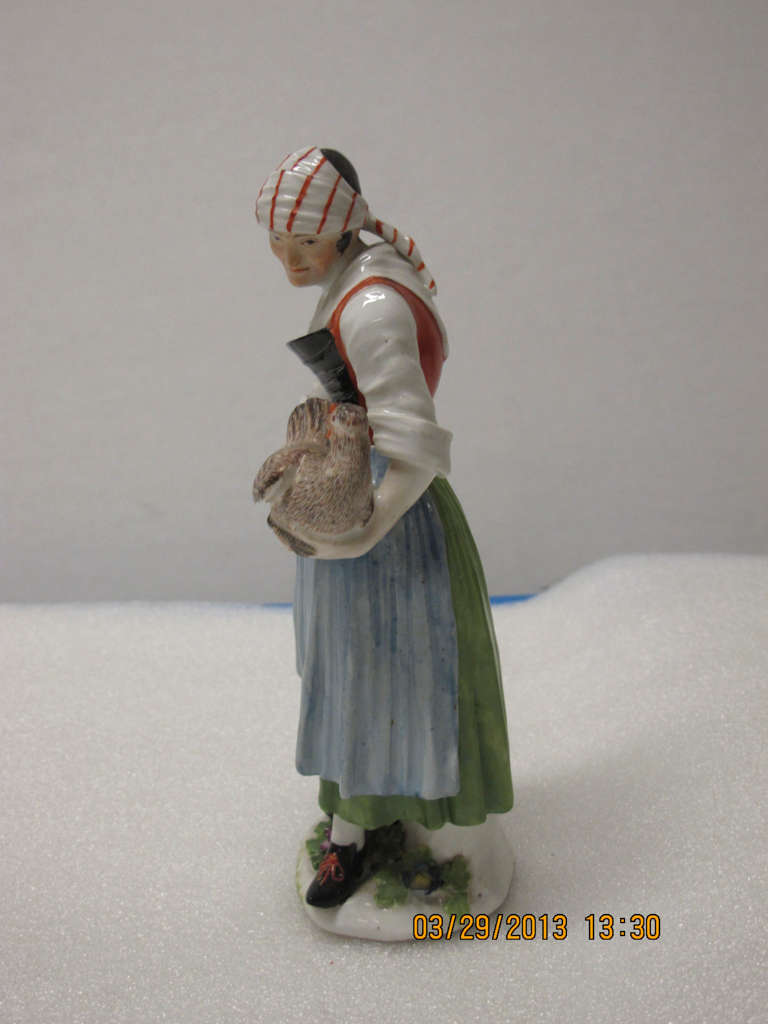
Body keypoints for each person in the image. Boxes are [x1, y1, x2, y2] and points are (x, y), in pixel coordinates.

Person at [255, 147, 513, 908]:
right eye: (279, 243)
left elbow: (415, 442)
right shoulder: (359, 277)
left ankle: (412, 836)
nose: (290, 261)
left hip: (389, 518)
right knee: (354, 677)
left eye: (305, 243)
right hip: (355, 492)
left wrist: (364, 530)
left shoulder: (370, 307)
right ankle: (358, 826)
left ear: (341, 231)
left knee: (384, 678)